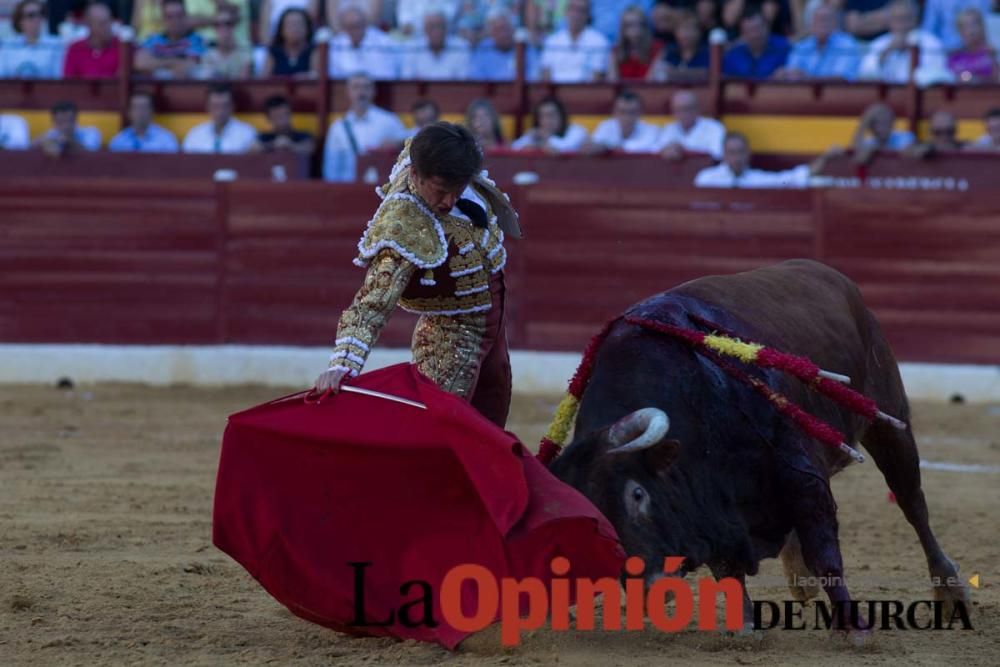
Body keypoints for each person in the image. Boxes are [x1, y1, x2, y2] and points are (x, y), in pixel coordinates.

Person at [314, 122, 522, 429]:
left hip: (492, 320)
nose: (449, 201)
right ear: (415, 175)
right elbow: (371, 303)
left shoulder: (441, 160)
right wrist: (343, 365)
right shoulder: (404, 225)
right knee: (439, 432)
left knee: (490, 422)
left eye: (458, 189)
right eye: (440, 191)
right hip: (450, 336)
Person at [322, 73, 408, 181]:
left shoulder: (389, 121)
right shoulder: (337, 128)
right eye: (356, 87)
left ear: (374, 91)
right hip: (347, 189)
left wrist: (397, 143)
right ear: (348, 92)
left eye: (366, 87)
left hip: (382, 190)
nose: (361, 92)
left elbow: (407, 152)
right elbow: (331, 169)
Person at [857, 0, 948, 84]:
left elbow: (934, 78)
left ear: (915, 20)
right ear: (889, 21)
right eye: (896, 19)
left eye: (905, 19)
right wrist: (885, 54)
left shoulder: (931, 43)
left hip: (920, 96)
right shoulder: (879, 44)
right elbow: (865, 77)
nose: (901, 24)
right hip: (885, 96)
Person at [693, 132, 828, 187]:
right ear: (723, 155)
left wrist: (826, 158)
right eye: (732, 153)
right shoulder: (706, 179)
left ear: (748, 154)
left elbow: (789, 179)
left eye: (740, 152)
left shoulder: (758, 179)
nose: (736, 158)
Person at [776, 4, 861, 80]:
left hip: (839, 95)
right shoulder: (802, 46)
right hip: (803, 95)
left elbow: (841, 80)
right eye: (818, 20)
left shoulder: (847, 45)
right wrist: (785, 74)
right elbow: (791, 74)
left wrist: (806, 78)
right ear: (811, 24)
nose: (822, 24)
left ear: (835, 23)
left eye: (826, 19)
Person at [540, 0, 611, 82]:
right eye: (572, 9)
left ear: (588, 14)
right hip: (555, 92)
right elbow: (546, 75)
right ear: (565, 12)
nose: (576, 14)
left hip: (586, 92)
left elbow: (596, 77)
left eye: (580, 10)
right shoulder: (552, 41)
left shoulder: (599, 41)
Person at [134, 0, 207, 78]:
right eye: (169, 17)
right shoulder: (153, 40)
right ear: (163, 19)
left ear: (186, 16)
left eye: (179, 16)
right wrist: (174, 62)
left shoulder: (197, 40)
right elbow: (139, 63)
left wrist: (156, 63)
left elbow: (189, 66)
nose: (175, 21)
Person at [328, 5, 399, 80]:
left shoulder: (384, 42)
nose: (354, 31)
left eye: (357, 25)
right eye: (349, 27)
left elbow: (388, 74)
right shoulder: (335, 44)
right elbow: (333, 74)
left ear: (365, 24)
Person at [182, 84, 257, 153]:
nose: (220, 112)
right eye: (215, 106)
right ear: (207, 107)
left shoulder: (247, 134)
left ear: (233, 106)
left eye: (225, 106)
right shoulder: (195, 135)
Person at [469, 9, 540, 81]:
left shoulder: (525, 48)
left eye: (506, 28)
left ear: (512, 29)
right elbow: (475, 78)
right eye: (498, 30)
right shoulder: (483, 49)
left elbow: (534, 76)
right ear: (491, 33)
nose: (503, 34)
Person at [0, 0, 64, 78]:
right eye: (31, 15)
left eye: (41, 14)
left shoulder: (55, 45)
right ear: (20, 20)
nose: (37, 19)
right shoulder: (7, 45)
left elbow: (58, 78)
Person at [585, 89, 661, 153]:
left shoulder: (651, 130)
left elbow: (654, 150)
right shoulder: (605, 127)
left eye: (632, 112)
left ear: (640, 113)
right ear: (614, 112)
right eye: (622, 112)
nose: (627, 117)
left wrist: (609, 147)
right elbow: (592, 147)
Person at [400, 10, 470, 80]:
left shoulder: (461, 46)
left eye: (440, 26)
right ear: (424, 29)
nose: (436, 31)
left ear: (446, 28)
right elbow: (407, 83)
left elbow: (464, 83)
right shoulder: (412, 48)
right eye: (431, 27)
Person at [722, 8, 789, 79]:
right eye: (749, 30)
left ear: (767, 27)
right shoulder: (734, 55)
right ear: (742, 34)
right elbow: (725, 79)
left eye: (757, 29)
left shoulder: (783, 48)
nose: (754, 35)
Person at [657, 90, 725, 159]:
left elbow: (716, 156)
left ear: (697, 109)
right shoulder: (668, 129)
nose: (683, 114)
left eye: (687, 108)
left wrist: (684, 151)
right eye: (678, 110)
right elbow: (658, 153)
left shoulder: (714, 128)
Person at [510, 96, 589, 152]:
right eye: (541, 116)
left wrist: (547, 138)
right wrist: (529, 139)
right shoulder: (536, 133)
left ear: (561, 116)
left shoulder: (577, 130)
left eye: (551, 115)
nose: (546, 120)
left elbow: (566, 149)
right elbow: (513, 148)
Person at [62, 1, 119, 79]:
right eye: (101, 23)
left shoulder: (121, 47)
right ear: (88, 24)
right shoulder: (75, 49)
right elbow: (68, 83)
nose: (107, 27)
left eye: (109, 22)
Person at [108, 91, 180, 152]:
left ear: (152, 111)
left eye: (144, 107)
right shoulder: (119, 140)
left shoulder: (166, 139)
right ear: (129, 112)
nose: (140, 112)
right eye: (136, 107)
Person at [650, 10, 709, 81]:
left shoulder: (708, 53)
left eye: (690, 29)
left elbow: (708, 74)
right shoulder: (668, 52)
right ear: (675, 32)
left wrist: (673, 73)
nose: (686, 34)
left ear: (699, 32)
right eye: (682, 29)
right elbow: (651, 76)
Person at [847, 102, 915, 164]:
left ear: (892, 123)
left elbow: (908, 151)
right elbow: (855, 152)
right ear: (871, 127)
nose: (883, 127)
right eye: (878, 123)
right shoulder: (870, 142)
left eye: (886, 122)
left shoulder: (905, 138)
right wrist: (863, 125)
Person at [608, 5, 663, 81]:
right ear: (623, 29)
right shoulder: (615, 51)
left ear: (645, 27)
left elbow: (650, 82)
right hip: (622, 92)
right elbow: (613, 82)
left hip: (647, 91)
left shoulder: (657, 48)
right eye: (630, 25)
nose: (636, 30)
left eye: (640, 24)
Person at [263, 7, 318, 77]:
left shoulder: (314, 50)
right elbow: (264, 80)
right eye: (290, 25)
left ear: (307, 28)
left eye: (298, 24)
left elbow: (317, 76)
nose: (294, 29)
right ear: (281, 30)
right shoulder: (273, 51)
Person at [946, 8, 998, 83]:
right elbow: (949, 80)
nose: (971, 31)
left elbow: (996, 80)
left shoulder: (991, 53)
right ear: (959, 31)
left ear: (982, 27)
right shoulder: (954, 56)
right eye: (966, 26)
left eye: (974, 24)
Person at [33, 100, 101, 155]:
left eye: (69, 121)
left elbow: (91, 154)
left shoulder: (91, 132)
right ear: (54, 122)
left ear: (75, 120)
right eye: (61, 122)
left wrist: (69, 142)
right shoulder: (49, 135)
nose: (66, 126)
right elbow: (29, 149)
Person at [202, 6, 252, 79]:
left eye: (227, 23)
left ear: (234, 26)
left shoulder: (245, 47)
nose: (223, 28)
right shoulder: (208, 50)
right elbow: (207, 80)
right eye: (217, 24)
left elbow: (244, 79)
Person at [921, 0, 992, 52]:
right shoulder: (935, 1)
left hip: (980, 52)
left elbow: (988, 26)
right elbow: (928, 33)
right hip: (944, 54)